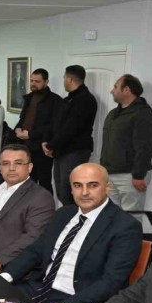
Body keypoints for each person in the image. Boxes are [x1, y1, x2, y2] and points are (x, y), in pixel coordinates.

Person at [0, 163, 142, 303]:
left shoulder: (125, 226)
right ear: (71, 189)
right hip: (39, 287)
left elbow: (111, 282)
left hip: (77, 301)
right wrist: (5, 277)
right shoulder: (63, 214)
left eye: (93, 185)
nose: (84, 192)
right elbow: (36, 250)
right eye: (77, 185)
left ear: (107, 187)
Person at [100, 74, 152, 211]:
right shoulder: (113, 114)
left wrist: (138, 175)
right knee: (110, 214)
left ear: (126, 89)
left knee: (131, 216)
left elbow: (145, 147)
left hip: (130, 176)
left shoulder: (144, 114)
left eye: (115, 87)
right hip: (109, 173)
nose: (112, 91)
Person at [42, 65, 97, 205]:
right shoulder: (68, 99)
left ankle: (75, 217)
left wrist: (51, 145)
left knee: (70, 191)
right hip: (61, 150)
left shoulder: (85, 100)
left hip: (74, 152)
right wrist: (47, 142)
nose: (64, 81)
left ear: (70, 79)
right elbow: (55, 123)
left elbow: (71, 129)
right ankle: (68, 216)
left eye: (64, 78)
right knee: (61, 190)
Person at [15, 68, 65, 194]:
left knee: (44, 183)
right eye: (31, 81)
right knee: (27, 181)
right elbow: (23, 118)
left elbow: (53, 126)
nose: (33, 84)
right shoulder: (29, 98)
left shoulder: (55, 100)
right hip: (25, 147)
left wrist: (30, 134)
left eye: (37, 81)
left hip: (42, 148)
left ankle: (46, 206)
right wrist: (18, 128)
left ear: (46, 82)